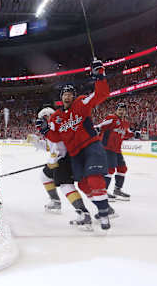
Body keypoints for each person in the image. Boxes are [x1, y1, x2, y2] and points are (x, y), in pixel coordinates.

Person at [38, 59, 112, 230]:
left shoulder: (81, 103)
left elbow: (101, 95)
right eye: (65, 93)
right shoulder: (56, 117)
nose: (68, 96)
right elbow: (55, 138)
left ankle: (104, 215)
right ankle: (104, 208)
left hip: (90, 147)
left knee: (94, 179)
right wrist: (44, 131)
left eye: (71, 93)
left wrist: (99, 76)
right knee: (83, 184)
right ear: (61, 97)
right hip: (75, 154)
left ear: (74, 95)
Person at [32, 107, 92, 231]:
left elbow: (60, 142)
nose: (40, 121)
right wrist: (37, 142)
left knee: (66, 185)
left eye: (42, 119)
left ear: (47, 116)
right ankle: (55, 201)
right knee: (45, 175)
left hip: (65, 159)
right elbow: (51, 146)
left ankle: (83, 213)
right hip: (58, 159)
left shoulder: (57, 124)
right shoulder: (51, 127)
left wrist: (45, 130)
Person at [95, 102, 139, 201]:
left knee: (122, 168)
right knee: (110, 170)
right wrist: (97, 128)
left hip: (117, 150)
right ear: (116, 110)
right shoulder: (112, 118)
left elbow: (126, 133)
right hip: (107, 149)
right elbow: (101, 125)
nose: (121, 111)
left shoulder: (124, 122)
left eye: (123, 110)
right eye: (119, 109)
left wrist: (134, 134)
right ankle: (103, 192)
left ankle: (117, 190)